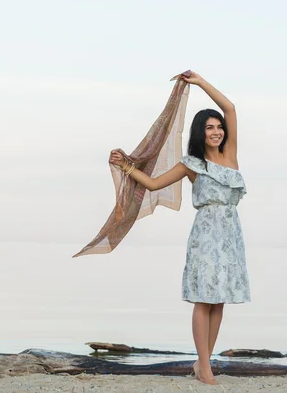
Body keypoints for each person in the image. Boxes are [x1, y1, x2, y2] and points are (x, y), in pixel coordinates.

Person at [109, 71, 250, 385]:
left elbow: (230, 108)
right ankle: (205, 366)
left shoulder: (231, 156)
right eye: (209, 128)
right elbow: (155, 183)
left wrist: (200, 82)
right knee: (203, 299)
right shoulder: (192, 164)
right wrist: (127, 166)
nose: (216, 131)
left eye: (219, 127)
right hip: (205, 235)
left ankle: (205, 364)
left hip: (231, 236)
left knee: (220, 299)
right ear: (200, 133)